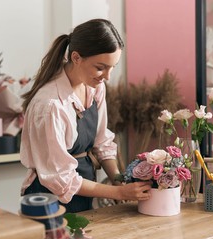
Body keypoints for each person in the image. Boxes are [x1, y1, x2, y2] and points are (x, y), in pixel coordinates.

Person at [20, 19, 152, 213]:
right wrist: (120, 193)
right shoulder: (50, 106)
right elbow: (61, 178)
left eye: (112, 67)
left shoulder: (95, 88)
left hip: (84, 192)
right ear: (76, 57)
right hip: (48, 202)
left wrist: (117, 180)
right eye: (100, 67)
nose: (107, 76)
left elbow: (101, 143)